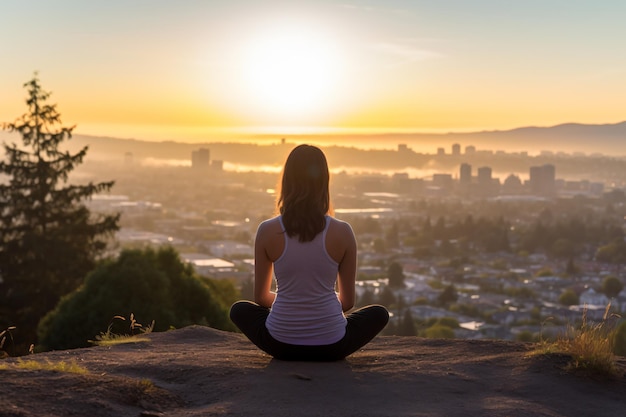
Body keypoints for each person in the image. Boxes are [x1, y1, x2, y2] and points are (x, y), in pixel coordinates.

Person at [230, 144, 389, 361]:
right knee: (379, 314)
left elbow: (260, 297)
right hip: (332, 347)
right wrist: (317, 304)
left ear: (286, 181)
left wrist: (294, 302)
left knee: (239, 309)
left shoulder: (267, 230)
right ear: (324, 182)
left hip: (280, 344)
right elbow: (348, 302)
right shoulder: (342, 232)